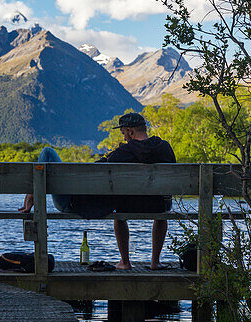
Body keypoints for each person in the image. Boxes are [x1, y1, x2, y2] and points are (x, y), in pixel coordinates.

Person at [18, 112, 176, 270]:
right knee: (159, 214)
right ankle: (155, 262)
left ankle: (125, 262)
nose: (124, 138)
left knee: (47, 153)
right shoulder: (165, 148)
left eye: (124, 134)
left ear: (130, 131)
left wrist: (34, 190)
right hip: (157, 206)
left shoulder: (123, 153)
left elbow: (93, 170)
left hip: (81, 204)